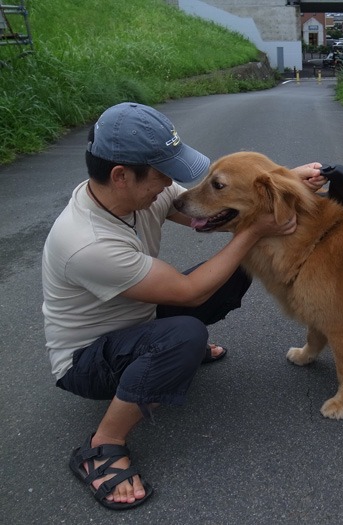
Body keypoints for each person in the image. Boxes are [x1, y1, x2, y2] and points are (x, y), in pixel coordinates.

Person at [41, 102, 326, 510]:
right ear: (121, 175)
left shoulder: (137, 195)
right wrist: (256, 230)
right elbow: (190, 292)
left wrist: (284, 182)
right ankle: (104, 444)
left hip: (137, 317)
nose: (170, 184)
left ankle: (164, 358)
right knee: (184, 336)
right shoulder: (86, 243)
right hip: (88, 360)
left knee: (233, 273)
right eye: (163, 173)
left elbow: (209, 207)